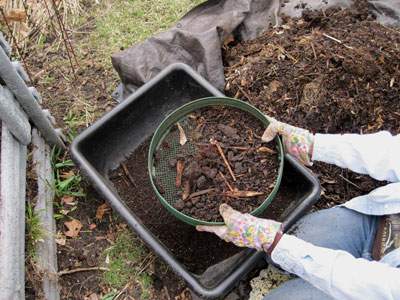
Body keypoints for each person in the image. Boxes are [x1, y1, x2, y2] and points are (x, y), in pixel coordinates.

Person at [197, 118, 400, 299]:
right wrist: (312, 144)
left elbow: (373, 286)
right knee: (296, 241)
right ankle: (284, 266)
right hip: (381, 220)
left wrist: (273, 241)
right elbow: (391, 153)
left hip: (376, 291)